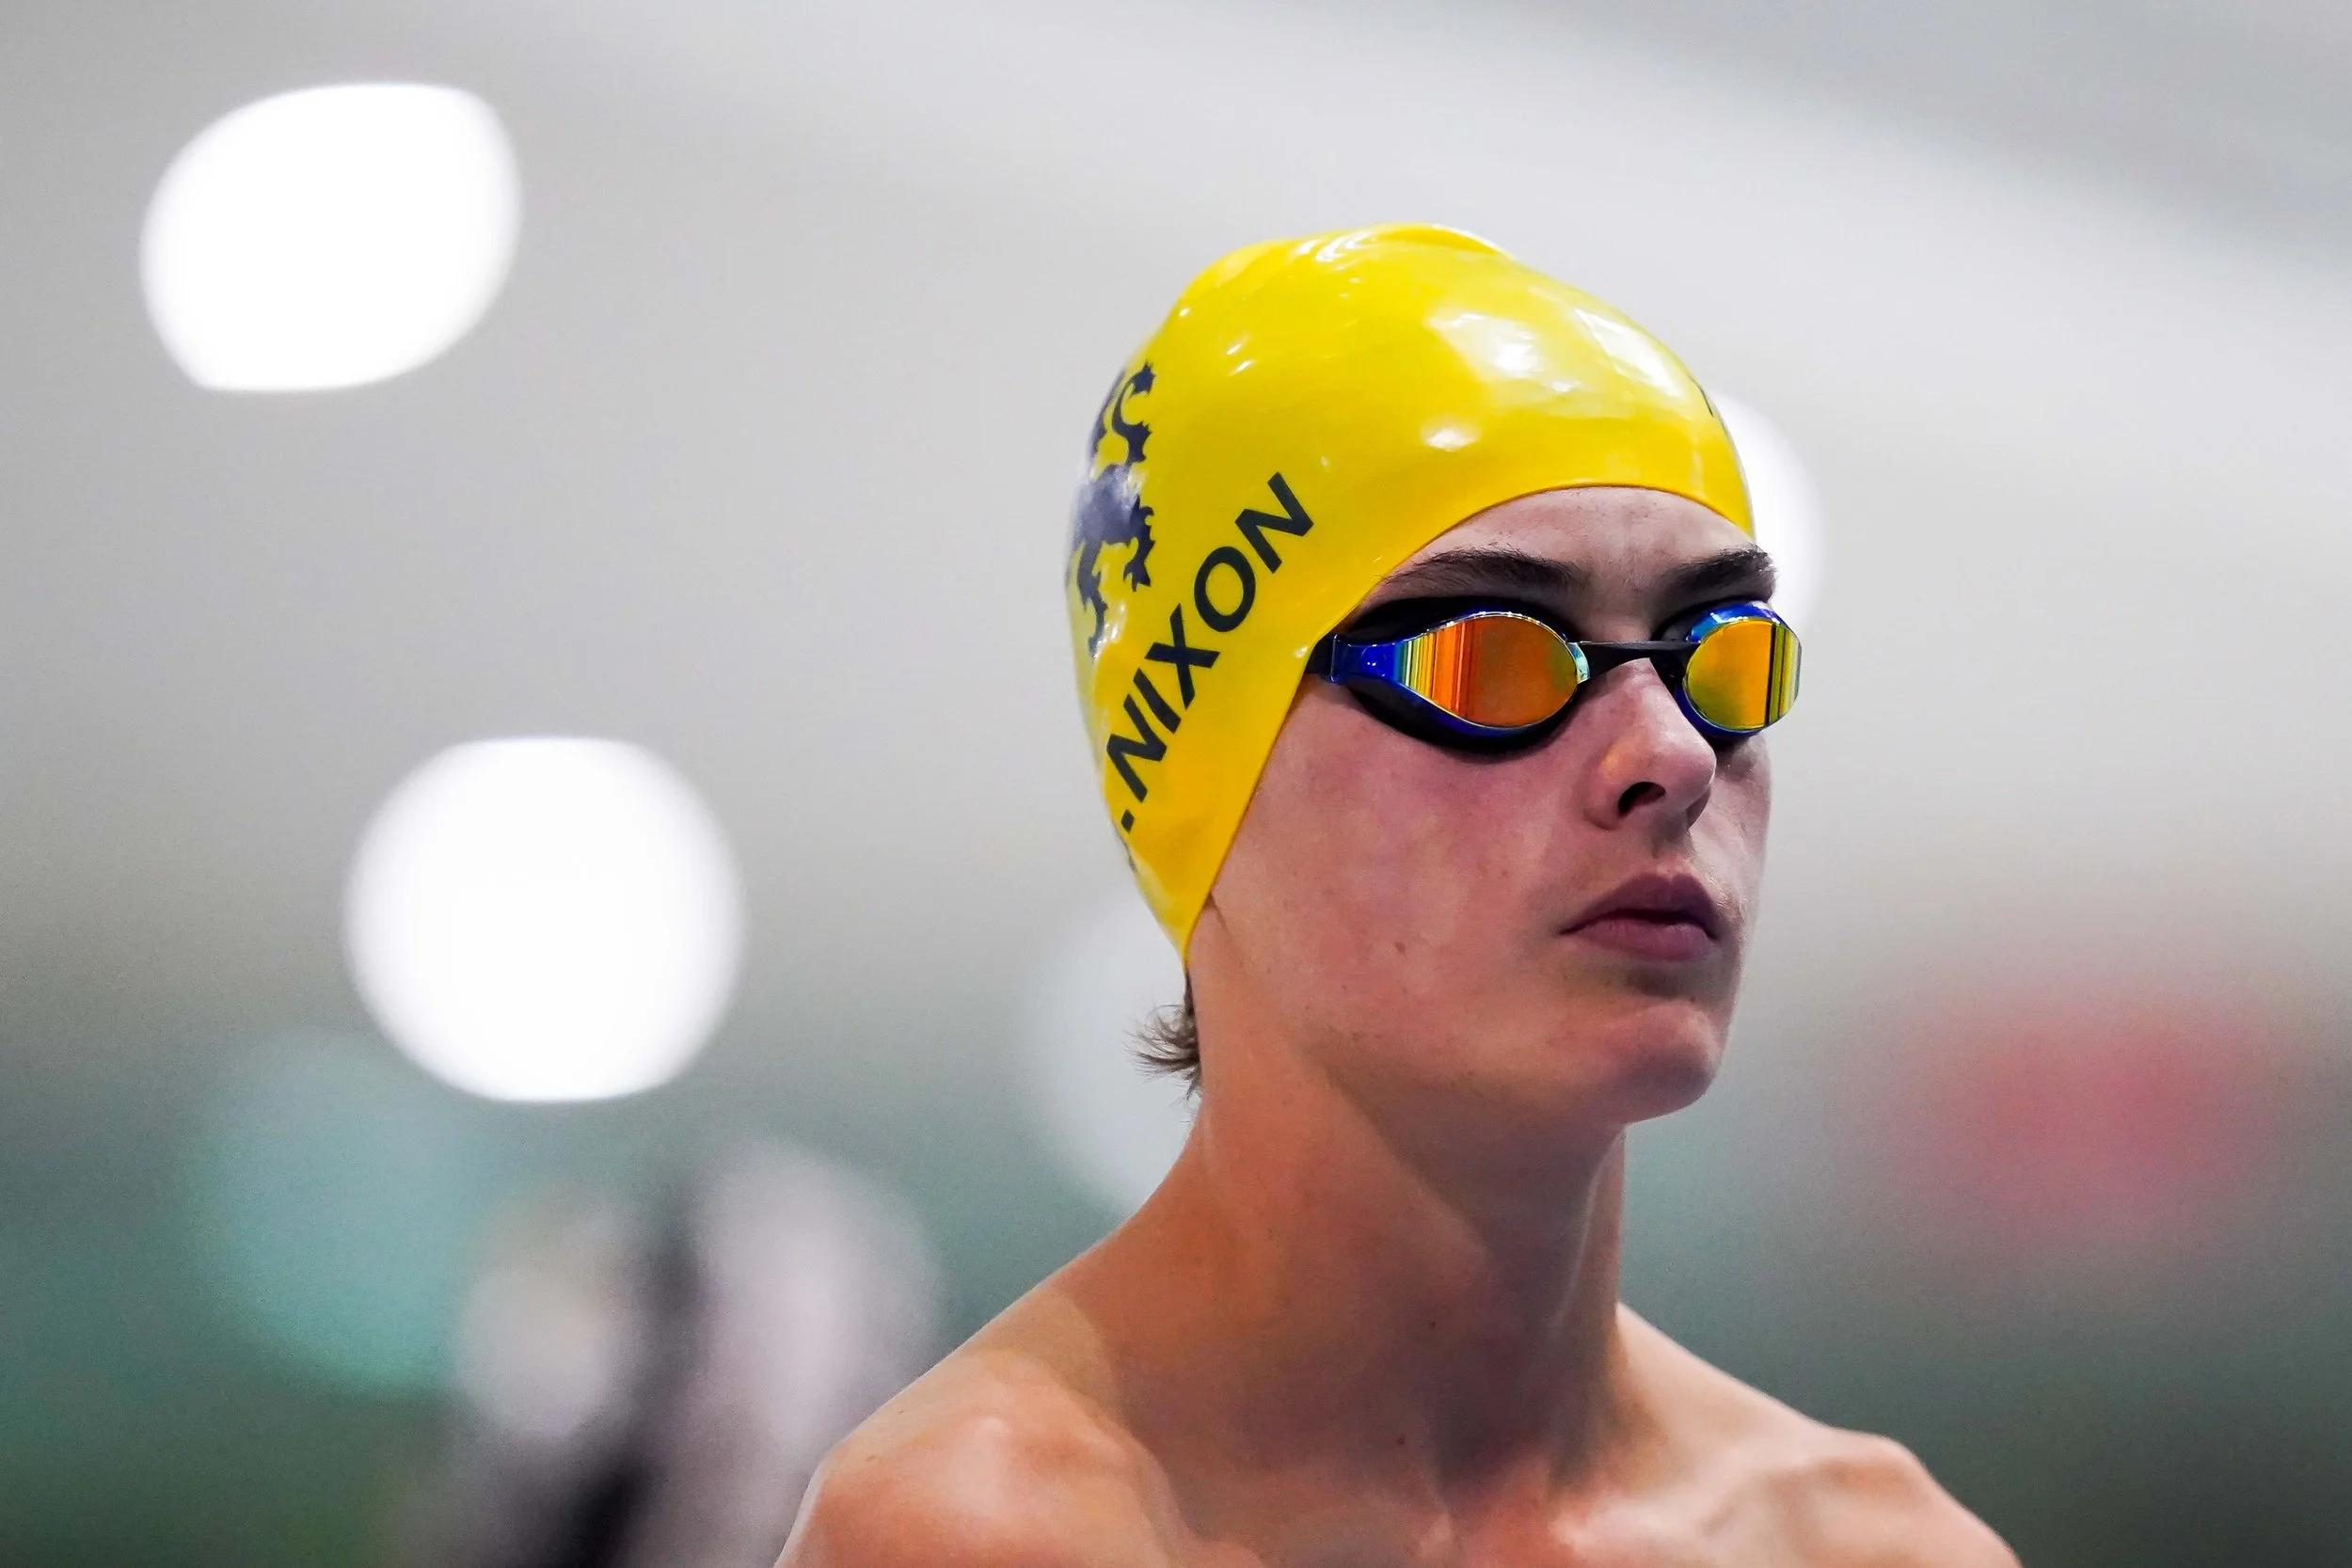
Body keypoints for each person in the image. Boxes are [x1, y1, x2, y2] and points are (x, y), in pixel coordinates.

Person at [779, 227, 2015, 1566]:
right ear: (1207, 774)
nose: (1669, 754)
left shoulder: (1876, 1545)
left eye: (1718, 655)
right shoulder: (984, 1536)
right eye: (1489, 660)